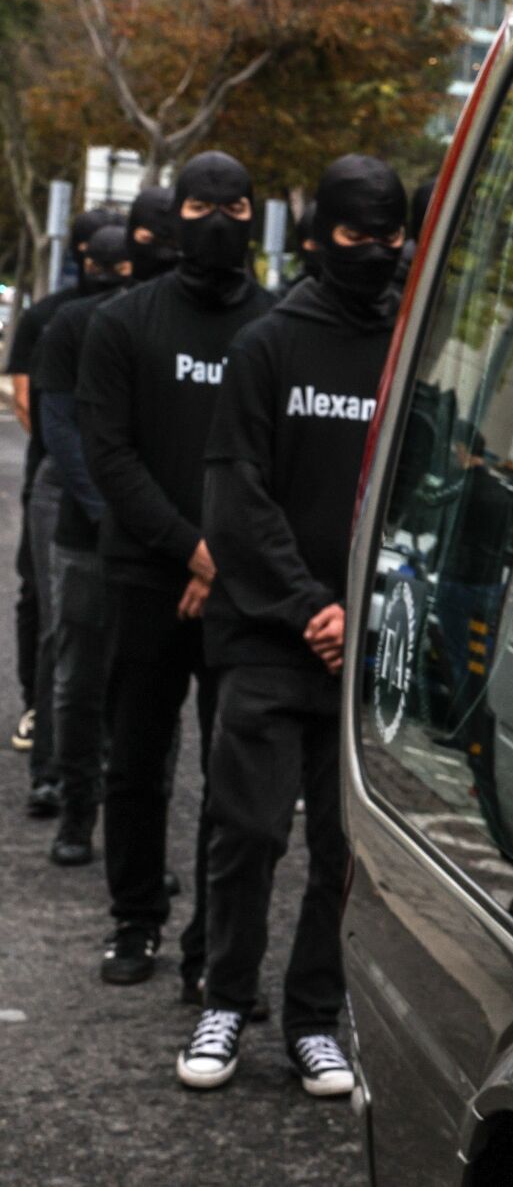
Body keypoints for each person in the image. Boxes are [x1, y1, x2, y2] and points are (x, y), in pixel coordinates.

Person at [177, 155, 404, 1097]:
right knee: (248, 829)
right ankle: (225, 1000)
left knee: (342, 853)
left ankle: (315, 1015)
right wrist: (312, 607)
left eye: (391, 237)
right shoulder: (270, 345)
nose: (377, 255)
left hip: (363, 650)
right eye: (358, 236)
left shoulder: (407, 346)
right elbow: (236, 498)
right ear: (318, 235)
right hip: (269, 638)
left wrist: (365, 611)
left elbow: (416, 487)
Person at [81, 152, 273, 989]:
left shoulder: (275, 327)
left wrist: (222, 554)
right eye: (203, 205)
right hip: (144, 574)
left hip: (239, 585)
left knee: (232, 777)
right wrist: (189, 546)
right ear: (176, 214)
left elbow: (278, 460)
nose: (220, 221)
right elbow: (109, 456)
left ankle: (213, 950)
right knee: (136, 760)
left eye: (236, 205)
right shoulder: (122, 323)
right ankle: (135, 919)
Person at [38, 200, 165, 865]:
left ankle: (133, 840)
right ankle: (76, 811)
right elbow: (60, 427)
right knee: (79, 680)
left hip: (154, 545)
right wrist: (113, 509)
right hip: (88, 536)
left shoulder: (179, 329)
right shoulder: (74, 322)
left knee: (147, 700)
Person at [12, 209, 123, 805]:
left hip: (109, 496)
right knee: (54, 618)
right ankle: (52, 757)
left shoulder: (136, 317)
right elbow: (40, 409)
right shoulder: (52, 319)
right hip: (59, 489)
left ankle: (90, 749)